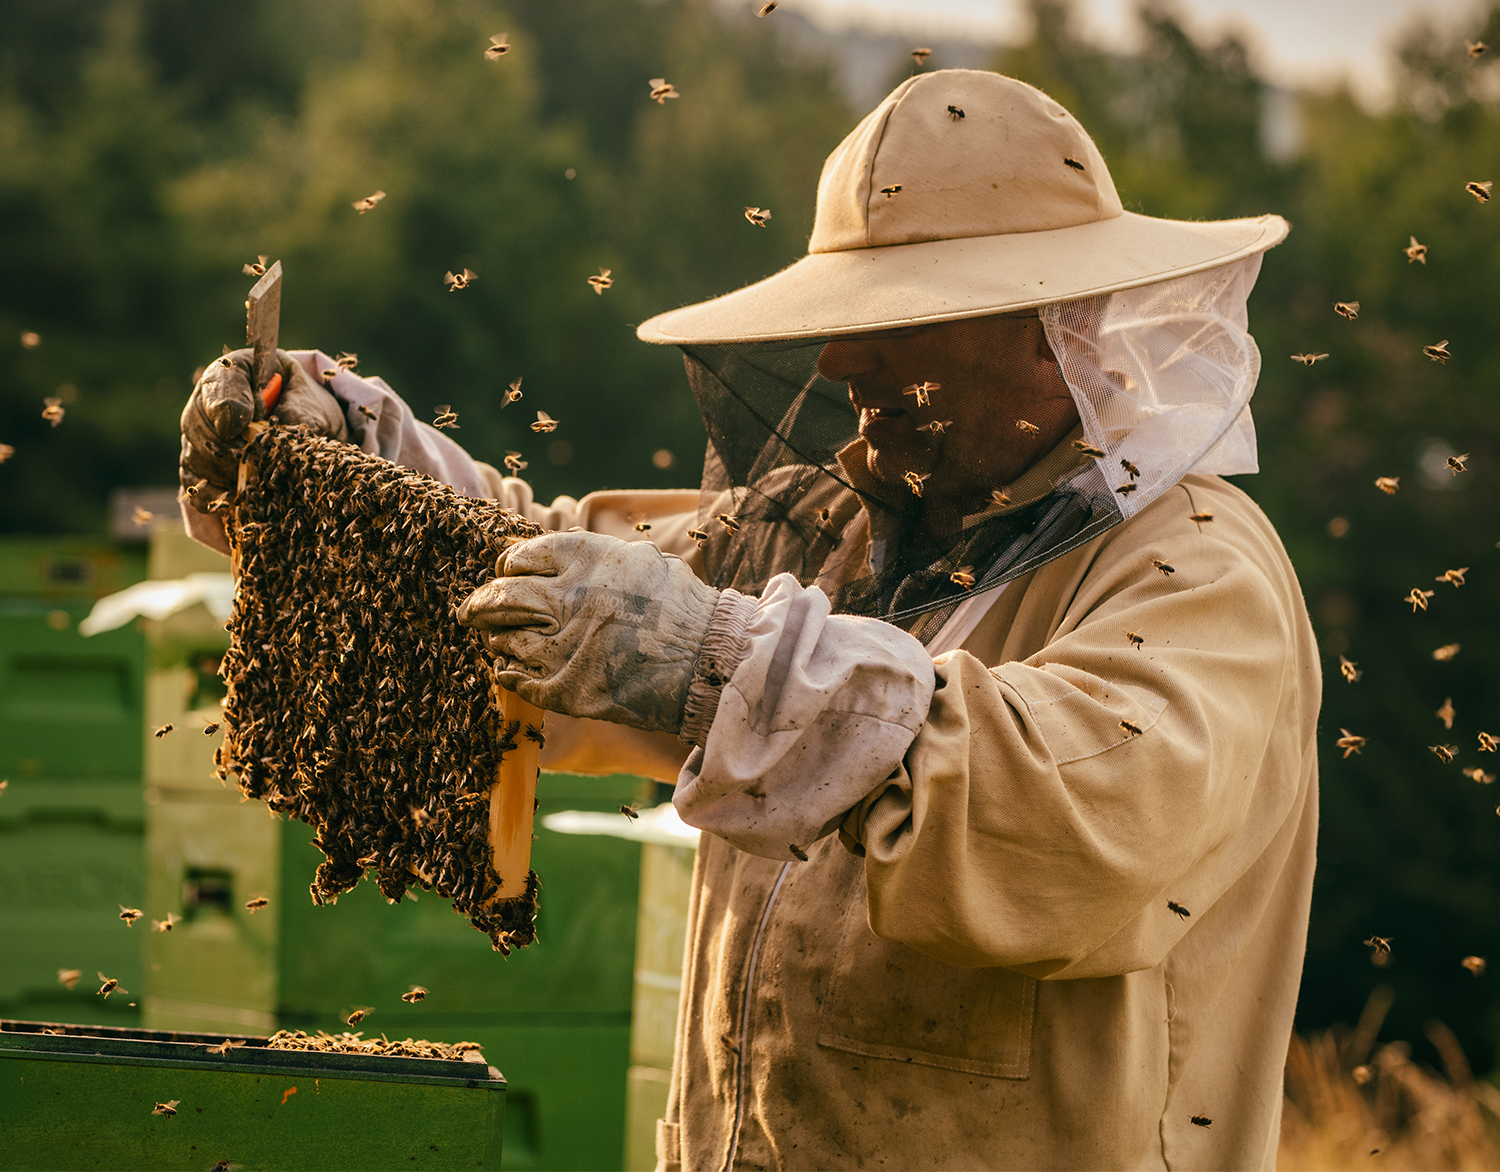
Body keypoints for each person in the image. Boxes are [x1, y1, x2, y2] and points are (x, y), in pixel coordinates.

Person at [179, 70, 1318, 1171]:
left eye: (901, 319)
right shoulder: (833, 525)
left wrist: (718, 662)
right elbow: (550, 586)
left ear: (1053, 325)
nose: (840, 358)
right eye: (843, 316)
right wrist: (345, 465)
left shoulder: (1195, 573)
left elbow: (1075, 821)